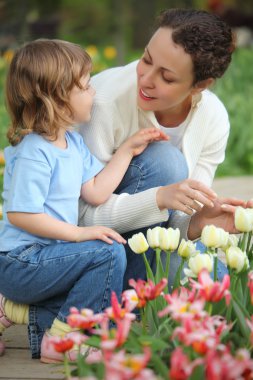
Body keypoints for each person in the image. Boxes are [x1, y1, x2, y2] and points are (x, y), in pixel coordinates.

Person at [0, 38, 180, 361]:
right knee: (108, 253)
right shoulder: (34, 152)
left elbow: (96, 191)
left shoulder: (72, 143)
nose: (93, 93)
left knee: (97, 297)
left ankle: (13, 311)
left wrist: (126, 151)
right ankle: (62, 342)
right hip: (19, 261)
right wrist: (81, 234)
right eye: (84, 87)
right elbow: (20, 215)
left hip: (46, 260)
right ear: (55, 97)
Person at [78, 8, 240, 288]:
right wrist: (159, 198)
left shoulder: (212, 118)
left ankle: (138, 301)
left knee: (215, 283)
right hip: (97, 251)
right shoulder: (103, 102)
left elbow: (174, 224)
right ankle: (129, 298)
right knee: (166, 161)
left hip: (150, 246)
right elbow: (79, 218)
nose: (146, 79)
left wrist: (196, 223)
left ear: (200, 85)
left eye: (166, 77)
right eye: (146, 59)